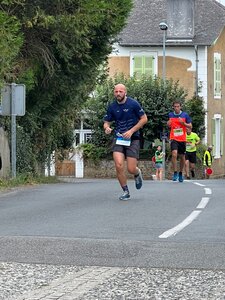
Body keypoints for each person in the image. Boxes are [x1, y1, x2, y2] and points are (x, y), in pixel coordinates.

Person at [103, 83, 148, 200]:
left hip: (133, 139)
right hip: (119, 138)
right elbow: (106, 121)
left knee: (131, 169)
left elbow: (144, 119)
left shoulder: (133, 104)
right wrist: (106, 127)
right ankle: (125, 191)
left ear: (125, 92)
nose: (118, 93)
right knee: (118, 165)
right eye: (116, 91)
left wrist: (131, 131)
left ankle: (137, 173)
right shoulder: (112, 106)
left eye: (120, 91)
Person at [167, 100, 192, 182]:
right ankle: (175, 172)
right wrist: (168, 124)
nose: (176, 108)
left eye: (178, 106)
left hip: (182, 139)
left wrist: (183, 123)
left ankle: (180, 173)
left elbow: (190, 126)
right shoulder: (170, 115)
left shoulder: (185, 115)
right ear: (173, 107)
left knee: (182, 157)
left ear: (180, 107)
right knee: (174, 154)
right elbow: (168, 125)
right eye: (175, 106)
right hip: (174, 137)